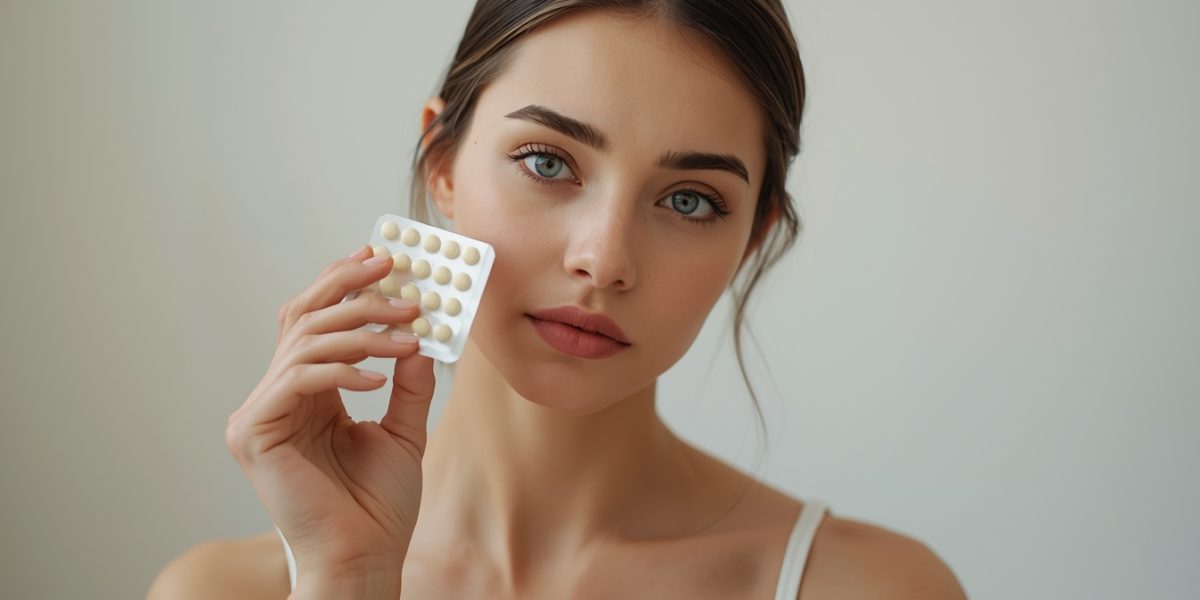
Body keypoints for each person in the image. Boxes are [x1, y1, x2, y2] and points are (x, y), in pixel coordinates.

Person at [150, 1, 967, 598]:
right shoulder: (224, 590)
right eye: (548, 162)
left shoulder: (872, 587)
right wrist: (349, 578)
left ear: (751, 237)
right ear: (443, 164)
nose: (604, 260)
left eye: (689, 200)